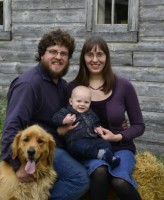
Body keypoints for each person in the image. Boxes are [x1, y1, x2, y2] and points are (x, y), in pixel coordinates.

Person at [0, 29, 89, 200]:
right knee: (79, 179)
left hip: (58, 146)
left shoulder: (61, 85)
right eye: (53, 51)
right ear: (42, 54)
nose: (58, 57)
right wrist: (16, 165)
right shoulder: (29, 84)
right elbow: (12, 125)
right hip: (39, 148)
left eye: (64, 53)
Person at [65, 36, 145, 200]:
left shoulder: (123, 86)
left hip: (120, 148)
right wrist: (64, 128)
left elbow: (139, 125)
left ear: (106, 57)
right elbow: (62, 119)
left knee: (119, 182)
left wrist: (118, 136)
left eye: (100, 54)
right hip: (89, 149)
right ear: (83, 58)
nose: (95, 59)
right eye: (90, 55)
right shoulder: (73, 88)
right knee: (99, 171)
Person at [52, 85, 121, 168]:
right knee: (80, 147)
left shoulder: (90, 113)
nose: (82, 104)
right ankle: (101, 155)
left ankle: (109, 157)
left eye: (86, 102)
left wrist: (98, 128)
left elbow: (96, 122)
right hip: (76, 141)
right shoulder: (67, 111)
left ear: (90, 103)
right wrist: (64, 120)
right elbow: (55, 119)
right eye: (79, 101)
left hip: (91, 139)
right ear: (71, 101)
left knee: (105, 143)